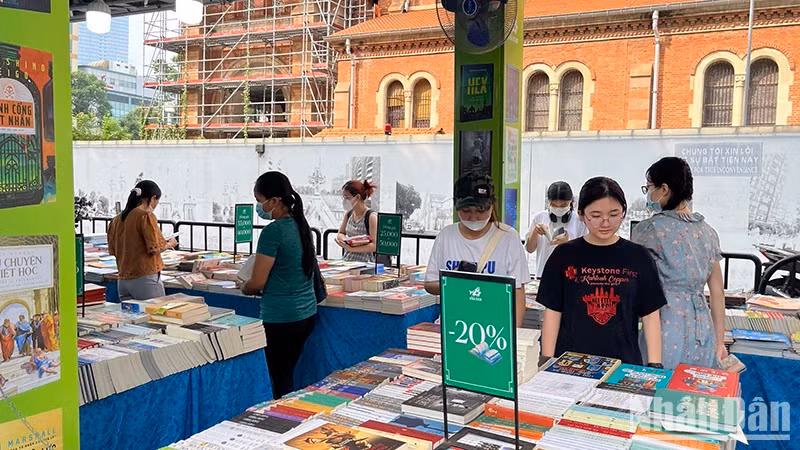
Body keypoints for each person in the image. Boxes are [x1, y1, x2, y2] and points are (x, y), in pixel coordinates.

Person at [537, 177, 666, 366]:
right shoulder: (564, 255)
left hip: (623, 364)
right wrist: (547, 360)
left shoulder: (639, 257)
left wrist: (655, 364)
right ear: (581, 214)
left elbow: (650, 315)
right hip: (570, 363)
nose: (605, 223)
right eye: (596, 216)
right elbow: (553, 311)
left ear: (624, 211)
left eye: (614, 214)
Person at [633, 157, 726, 369]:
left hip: (664, 322)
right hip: (703, 328)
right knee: (694, 385)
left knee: (659, 383)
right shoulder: (709, 232)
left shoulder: (649, 230)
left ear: (664, 189)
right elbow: (717, 293)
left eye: (649, 188)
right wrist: (719, 342)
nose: (648, 194)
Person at [242, 171, 317, 399]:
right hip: (306, 312)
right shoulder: (300, 225)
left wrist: (245, 286)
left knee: (277, 376)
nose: (259, 207)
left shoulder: (273, 231)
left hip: (281, 317)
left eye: (259, 201)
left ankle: (280, 413)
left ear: (274, 201)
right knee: (286, 372)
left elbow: (257, 282)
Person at [423, 172, 530, 327]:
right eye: (466, 211)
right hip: (454, 324)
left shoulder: (508, 238)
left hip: (494, 327)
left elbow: (518, 291)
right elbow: (429, 284)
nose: (473, 217)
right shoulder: (445, 236)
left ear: (492, 205)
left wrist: (516, 333)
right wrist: (455, 284)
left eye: (481, 211)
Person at [108, 180, 177, 300]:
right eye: (157, 201)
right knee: (154, 311)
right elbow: (155, 248)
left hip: (123, 279)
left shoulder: (116, 220)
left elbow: (113, 250)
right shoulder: (145, 216)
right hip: (145, 279)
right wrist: (170, 244)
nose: (156, 205)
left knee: (130, 312)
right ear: (153, 198)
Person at [526, 181, 587, 278]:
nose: (558, 209)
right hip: (543, 274)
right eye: (554, 205)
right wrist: (535, 232)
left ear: (571, 201)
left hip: (570, 276)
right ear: (549, 202)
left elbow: (584, 254)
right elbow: (529, 249)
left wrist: (568, 243)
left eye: (563, 206)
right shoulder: (539, 217)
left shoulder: (579, 221)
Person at [335, 180, 378, 263]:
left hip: (365, 263)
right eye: (343, 198)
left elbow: (374, 245)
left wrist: (351, 248)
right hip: (347, 260)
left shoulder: (371, 216)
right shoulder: (348, 214)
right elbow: (340, 233)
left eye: (347, 198)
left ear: (357, 197)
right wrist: (346, 241)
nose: (344, 201)